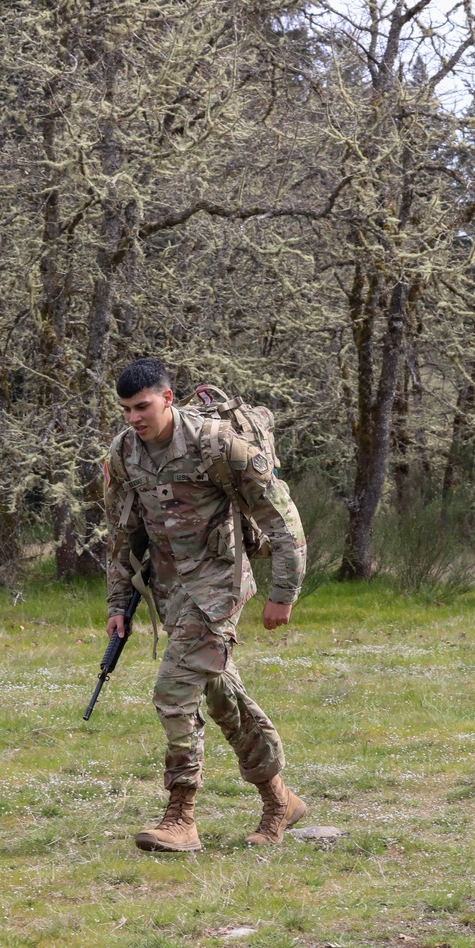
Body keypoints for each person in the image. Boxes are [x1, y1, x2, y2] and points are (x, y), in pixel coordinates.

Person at [104, 357, 308, 852]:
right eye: (126, 409)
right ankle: (279, 799)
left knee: (174, 692)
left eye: (143, 406)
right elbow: (122, 535)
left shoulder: (216, 445)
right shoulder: (123, 454)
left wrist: (283, 594)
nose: (134, 417)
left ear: (167, 398)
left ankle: (181, 816)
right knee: (219, 694)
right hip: (173, 593)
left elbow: (282, 519)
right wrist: (118, 603)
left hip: (219, 588)